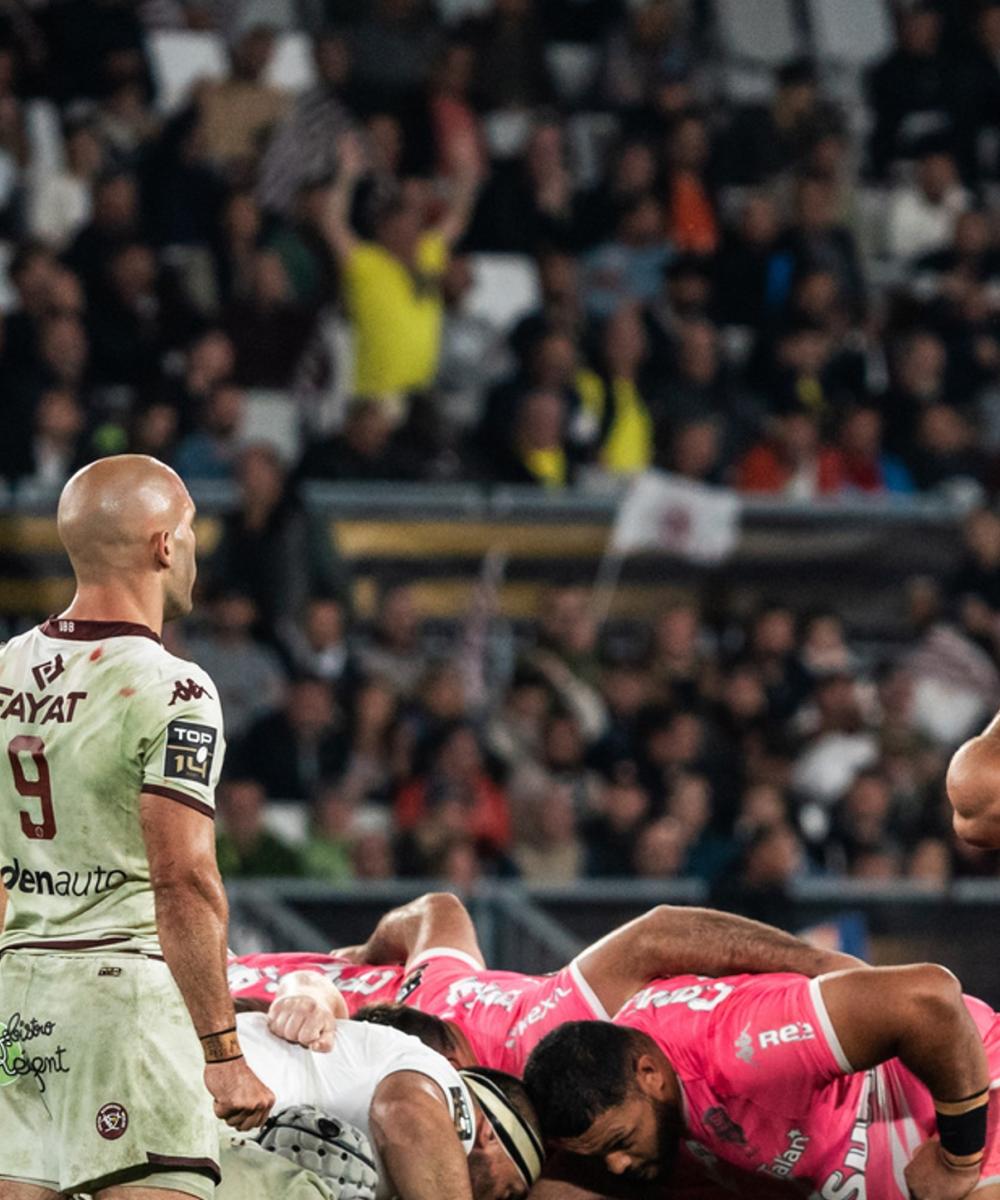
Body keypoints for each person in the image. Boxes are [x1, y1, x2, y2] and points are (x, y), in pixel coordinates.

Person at [0, 455, 273, 1199]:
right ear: (162, 545)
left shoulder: (5, 670)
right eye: (188, 530)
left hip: (19, 999)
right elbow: (182, 878)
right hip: (125, 1007)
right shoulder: (173, 687)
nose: (193, 548)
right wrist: (222, 1052)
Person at [525, 961, 1000, 1200]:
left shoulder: (738, 1046)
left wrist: (959, 1158)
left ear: (650, 1074)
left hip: (966, 1098)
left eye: (621, 1141)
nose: (618, 1164)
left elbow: (929, 998)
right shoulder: (619, 1060)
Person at [312, 892, 858, 1076]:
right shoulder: (425, 990)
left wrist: (819, 965)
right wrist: (374, 949)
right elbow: (436, 909)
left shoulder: (541, 1033)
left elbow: (658, 932)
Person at [234, 1006, 544, 1200]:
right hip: (222, 1103)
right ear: (489, 1134)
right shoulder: (447, 1087)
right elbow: (405, 1111)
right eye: (509, 1194)